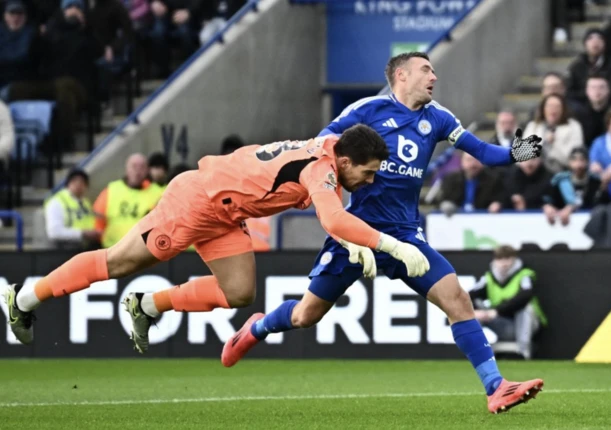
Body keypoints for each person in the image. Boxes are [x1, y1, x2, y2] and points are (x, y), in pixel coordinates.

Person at [224, 52, 544, 414]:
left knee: (457, 298)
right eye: (427, 69)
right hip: (356, 232)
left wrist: (519, 153)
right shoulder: (367, 111)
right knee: (305, 316)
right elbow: (320, 153)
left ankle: (496, 387)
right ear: (402, 75)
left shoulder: (438, 118)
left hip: (406, 235)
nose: (434, 76)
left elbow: (483, 152)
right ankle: (256, 328)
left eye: (434, 70)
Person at [3, 125, 430, 352]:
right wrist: (391, 245)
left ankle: (148, 305)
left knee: (240, 292)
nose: (370, 180)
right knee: (117, 263)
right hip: (197, 203)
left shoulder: (328, 151)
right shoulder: (321, 168)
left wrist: (358, 243)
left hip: (227, 214)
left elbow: (330, 214)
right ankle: (23, 300)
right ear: (347, 159)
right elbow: (335, 219)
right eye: (368, 172)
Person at [470, 245, 547, 360]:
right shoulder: (489, 277)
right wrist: (476, 312)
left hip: (527, 325)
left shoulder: (524, 275)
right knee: (471, 313)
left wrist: (497, 311)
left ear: (514, 259)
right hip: (503, 324)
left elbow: (525, 296)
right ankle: (476, 354)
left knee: (526, 309)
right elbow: (469, 295)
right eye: (500, 259)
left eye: (508, 259)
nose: (504, 263)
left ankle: (524, 353)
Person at [523, 93, 584, 174]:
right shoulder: (533, 126)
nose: (553, 109)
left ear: (563, 109)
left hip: (563, 171)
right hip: (536, 173)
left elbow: (575, 158)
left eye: (557, 106)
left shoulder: (573, 126)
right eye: (550, 106)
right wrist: (543, 142)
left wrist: (554, 144)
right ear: (543, 108)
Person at [542, 147, 603, 226]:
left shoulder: (595, 182)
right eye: (574, 160)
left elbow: (598, 205)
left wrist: (572, 208)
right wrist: (547, 206)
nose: (578, 164)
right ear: (569, 162)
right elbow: (546, 199)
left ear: (588, 162)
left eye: (582, 160)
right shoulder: (560, 182)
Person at [44, 168, 101, 248]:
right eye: (75, 181)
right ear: (68, 183)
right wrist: (82, 233)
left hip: (85, 246)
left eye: (82, 182)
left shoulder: (85, 203)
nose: (78, 185)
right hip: (65, 248)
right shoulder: (57, 202)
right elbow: (54, 232)